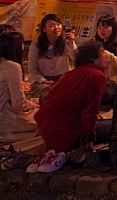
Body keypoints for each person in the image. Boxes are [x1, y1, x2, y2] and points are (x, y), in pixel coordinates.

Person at [32, 41, 109, 172]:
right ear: (92, 58)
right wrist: (89, 136)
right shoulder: (96, 76)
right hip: (67, 133)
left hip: (46, 131)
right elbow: (90, 111)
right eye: (102, 52)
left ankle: (49, 154)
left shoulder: (69, 74)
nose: (106, 56)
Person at [0, 31, 38, 147]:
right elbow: (18, 104)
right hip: (2, 119)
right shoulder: (12, 66)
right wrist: (33, 105)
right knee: (45, 118)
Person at [28, 14, 77, 99]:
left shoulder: (65, 42)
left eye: (58, 24)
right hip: (43, 80)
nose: (56, 28)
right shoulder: (36, 45)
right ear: (44, 29)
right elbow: (32, 68)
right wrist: (44, 81)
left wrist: (70, 43)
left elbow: (75, 57)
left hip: (62, 79)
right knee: (48, 94)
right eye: (51, 26)